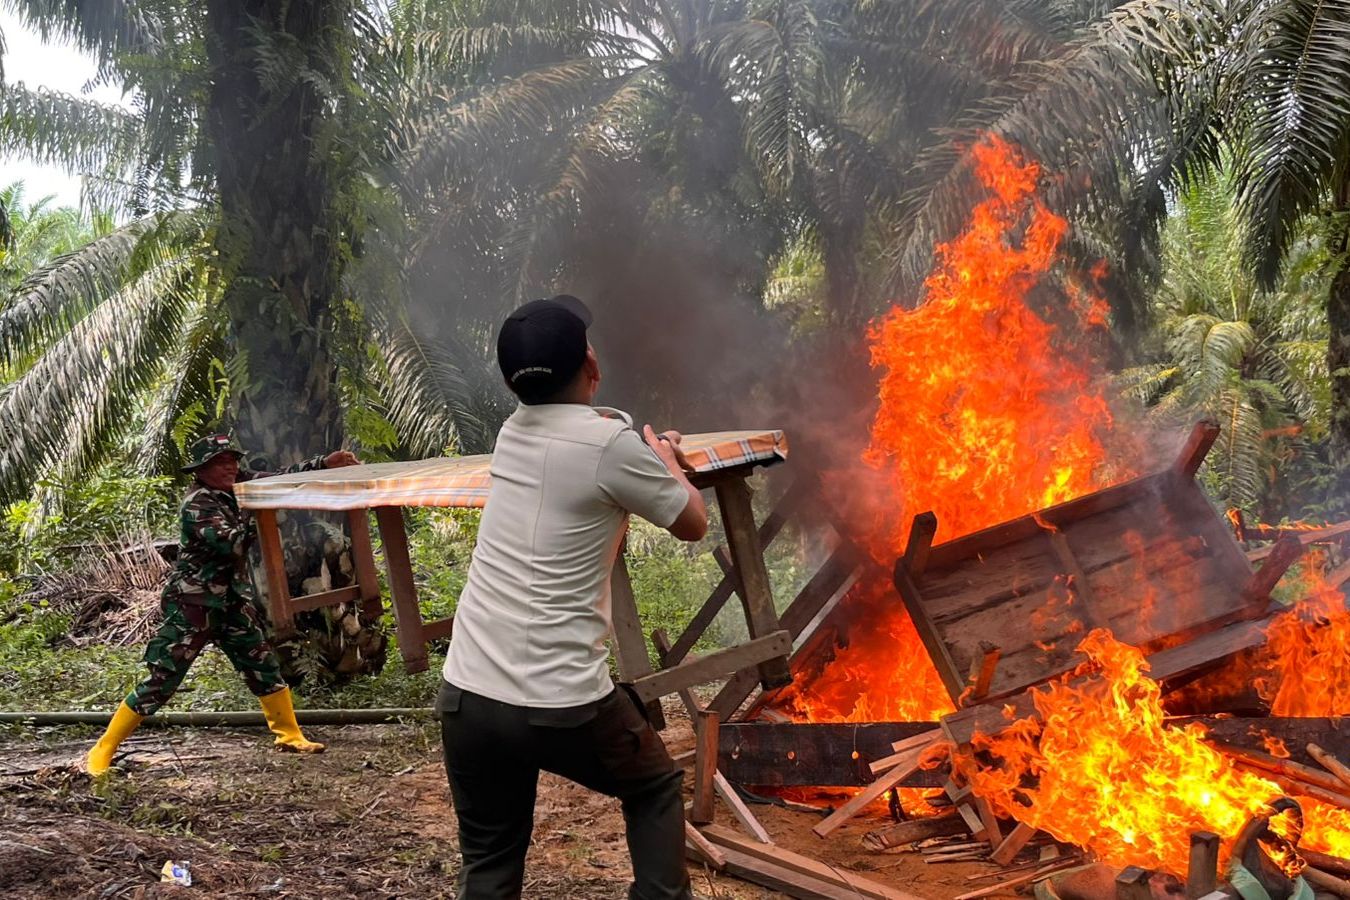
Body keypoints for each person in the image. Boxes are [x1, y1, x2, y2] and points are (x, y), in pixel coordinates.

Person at [439, 295, 708, 900]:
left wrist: (634, 445)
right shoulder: (610, 447)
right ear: (591, 363)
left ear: (512, 383)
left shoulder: (512, 432)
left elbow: (586, 430)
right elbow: (692, 523)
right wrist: (669, 463)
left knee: (490, 861)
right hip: (560, 703)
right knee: (654, 786)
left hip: (468, 696)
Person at [85, 434, 360, 775]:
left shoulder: (239, 486)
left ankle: (289, 735)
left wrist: (323, 463)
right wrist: (257, 508)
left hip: (230, 600)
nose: (230, 466)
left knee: (261, 663)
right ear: (201, 470)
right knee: (164, 677)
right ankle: (104, 748)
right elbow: (232, 545)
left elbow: (280, 476)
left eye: (232, 460)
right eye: (220, 462)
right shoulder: (198, 504)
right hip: (193, 603)